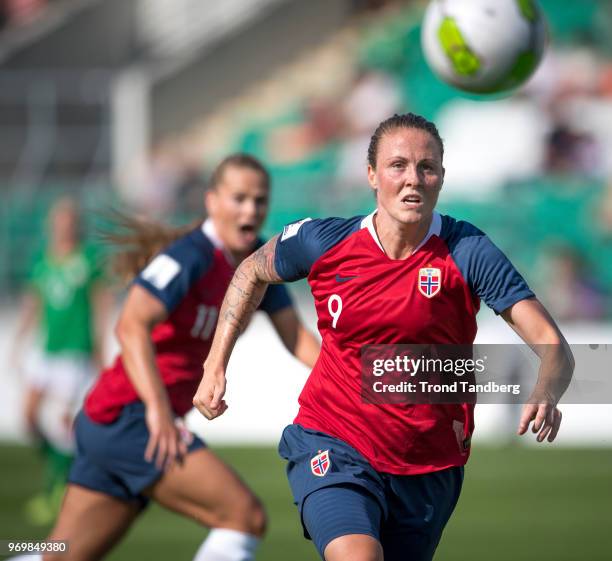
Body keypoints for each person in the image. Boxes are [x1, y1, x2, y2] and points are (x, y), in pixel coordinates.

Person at [193, 114, 575, 561]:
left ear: (441, 178)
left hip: (430, 464)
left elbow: (553, 344)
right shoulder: (323, 242)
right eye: (398, 165)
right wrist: (215, 363)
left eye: (426, 167)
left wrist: (547, 389)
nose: (413, 179)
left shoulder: (468, 250)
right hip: (334, 440)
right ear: (372, 174)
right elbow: (251, 271)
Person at [12, 154, 319, 561]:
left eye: (260, 200)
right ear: (212, 201)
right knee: (243, 518)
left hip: (114, 424)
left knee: (59, 554)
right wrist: (158, 411)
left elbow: (297, 337)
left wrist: (358, 377)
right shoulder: (189, 256)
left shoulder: (258, 266)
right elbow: (130, 325)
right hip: (129, 418)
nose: (251, 210)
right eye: (239, 198)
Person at [10, 197, 110, 525]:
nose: (63, 225)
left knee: (67, 424)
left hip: (75, 351)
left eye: (68, 219)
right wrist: (19, 340)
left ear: (75, 223)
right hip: (47, 351)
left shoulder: (89, 258)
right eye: (58, 219)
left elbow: (101, 304)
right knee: (28, 416)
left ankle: (61, 489)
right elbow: (33, 302)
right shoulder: (43, 259)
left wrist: (100, 347)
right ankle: (59, 477)